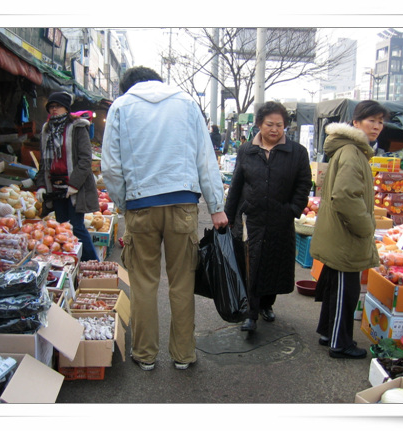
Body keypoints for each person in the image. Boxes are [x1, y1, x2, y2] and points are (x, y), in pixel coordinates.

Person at [101, 66, 228, 371]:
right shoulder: (185, 103)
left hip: (140, 206)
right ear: (158, 81)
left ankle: (145, 355)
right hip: (183, 204)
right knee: (182, 282)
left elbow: (111, 166)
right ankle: (183, 355)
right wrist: (216, 206)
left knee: (144, 283)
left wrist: (122, 202)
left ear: (126, 86)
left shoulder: (121, 107)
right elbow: (204, 159)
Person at [310, 100, 389, 359]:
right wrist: (366, 227)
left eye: (380, 122)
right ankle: (340, 343)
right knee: (346, 291)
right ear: (356, 123)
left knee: (335, 287)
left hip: (339, 234)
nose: (377, 127)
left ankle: (327, 333)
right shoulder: (353, 153)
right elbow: (344, 196)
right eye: (371, 121)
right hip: (346, 237)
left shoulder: (350, 150)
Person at [224, 101, 312, 332]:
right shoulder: (246, 150)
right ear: (259, 125)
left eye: (279, 125)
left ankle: (266, 304)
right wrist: (229, 215)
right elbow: (236, 185)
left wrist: (292, 210)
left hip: (280, 218)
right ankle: (250, 313)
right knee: (251, 263)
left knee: (273, 262)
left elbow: (303, 185)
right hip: (250, 218)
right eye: (269, 124)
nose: (274, 129)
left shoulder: (297, 152)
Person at [34, 91, 100, 262]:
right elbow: (43, 161)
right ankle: (72, 266)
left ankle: (92, 263)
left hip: (74, 188)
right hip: (55, 187)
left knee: (77, 227)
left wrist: (74, 184)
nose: (54, 110)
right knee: (62, 229)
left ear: (66, 108)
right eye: (51, 107)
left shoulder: (78, 127)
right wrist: (41, 185)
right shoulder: (46, 130)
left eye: (58, 106)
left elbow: (85, 159)